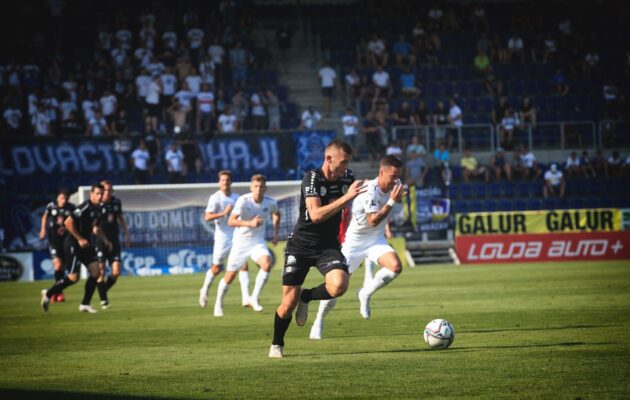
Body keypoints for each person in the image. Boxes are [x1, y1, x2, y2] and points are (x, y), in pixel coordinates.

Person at [269, 140, 365, 358]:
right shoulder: (312, 178)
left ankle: (308, 296)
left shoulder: (347, 177)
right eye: (343, 162)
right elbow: (315, 215)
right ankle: (277, 344)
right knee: (287, 303)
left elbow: (369, 187)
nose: (346, 167)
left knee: (340, 285)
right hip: (301, 245)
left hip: (328, 246)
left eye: (348, 162)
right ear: (329, 159)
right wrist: (347, 197)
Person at [309, 156, 405, 339]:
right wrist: (392, 201)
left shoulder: (396, 184)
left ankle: (365, 292)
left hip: (376, 240)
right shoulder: (369, 190)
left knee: (396, 267)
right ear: (381, 172)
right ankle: (319, 320)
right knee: (336, 286)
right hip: (354, 244)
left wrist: (398, 195)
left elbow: (395, 197)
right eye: (393, 176)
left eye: (398, 176)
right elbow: (373, 220)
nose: (396, 180)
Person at [214, 175, 280, 316]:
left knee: (267, 264)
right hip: (240, 243)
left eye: (261, 186)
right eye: (256, 186)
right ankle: (218, 302)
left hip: (257, 242)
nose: (258, 189)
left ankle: (254, 298)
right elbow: (231, 221)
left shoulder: (271, 202)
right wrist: (249, 223)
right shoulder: (243, 201)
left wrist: (275, 235)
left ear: (265, 188)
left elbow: (277, 214)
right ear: (251, 187)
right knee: (230, 276)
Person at [40, 183, 111, 313]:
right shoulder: (85, 206)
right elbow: (68, 222)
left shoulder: (98, 209)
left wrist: (106, 240)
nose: (100, 196)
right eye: (98, 194)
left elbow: (96, 227)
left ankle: (85, 304)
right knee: (74, 278)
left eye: (102, 193)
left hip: (85, 244)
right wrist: (79, 238)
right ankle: (48, 294)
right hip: (73, 243)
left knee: (96, 272)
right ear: (92, 194)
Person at [198, 170, 250, 308]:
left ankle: (246, 298)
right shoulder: (215, 198)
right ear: (219, 182)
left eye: (227, 180)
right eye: (222, 180)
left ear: (231, 182)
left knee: (243, 264)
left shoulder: (237, 197)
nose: (225, 182)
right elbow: (207, 217)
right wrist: (224, 213)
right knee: (216, 269)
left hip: (237, 237)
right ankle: (204, 289)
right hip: (222, 238)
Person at [95, 180, 130, 309]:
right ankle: (103, 300)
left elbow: (120, 218)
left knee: (116, 271)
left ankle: (101, 289)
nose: (107, 192)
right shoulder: (96, 204)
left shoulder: (116, 202)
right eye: (105, 189)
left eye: (110, 189)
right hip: (99, 241)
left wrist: (126, 234)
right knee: (101, 271)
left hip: (114, 240)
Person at [39, 189, 75, 303]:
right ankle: (59, 293)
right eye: (61, 198)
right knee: (58, 264)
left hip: (66, 242)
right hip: (53, 241)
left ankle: (53, 292)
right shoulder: (51, 206)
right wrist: (43, 230)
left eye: (65, 198)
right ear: (57, 198)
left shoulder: (71, 208)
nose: (63, 201)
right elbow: (44, 217)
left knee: (62, 268)